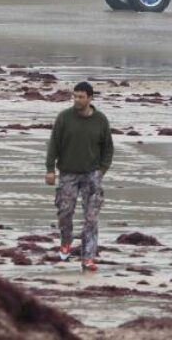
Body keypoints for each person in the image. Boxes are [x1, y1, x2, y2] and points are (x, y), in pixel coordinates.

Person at [45, 81, 114, 272]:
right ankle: (66, 241)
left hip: (92, 174)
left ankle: (88, 258)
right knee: (65, 212)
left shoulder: (100, 120)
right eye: (75, 96)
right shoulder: (64, 118)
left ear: (90, 98)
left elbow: (108, 148)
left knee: (91, 218)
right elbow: (54, 145)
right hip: (68, 173)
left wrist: (102, 170)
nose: (77, 100)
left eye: (81, 97)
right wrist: (50, 169)